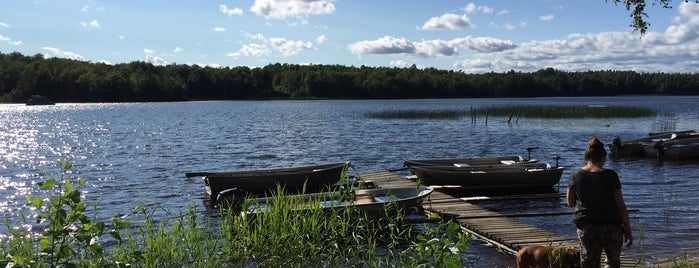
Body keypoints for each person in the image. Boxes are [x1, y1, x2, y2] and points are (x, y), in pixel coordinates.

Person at [567, 136, 633, 268]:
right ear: (602, 158)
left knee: (589, 263)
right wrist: (628, 230)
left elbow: (570, 203)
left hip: (587, 227)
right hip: (611, 227)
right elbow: (621, 206)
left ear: (587, 157)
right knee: (612, 262)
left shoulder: (575, 175)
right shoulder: (611, 175)